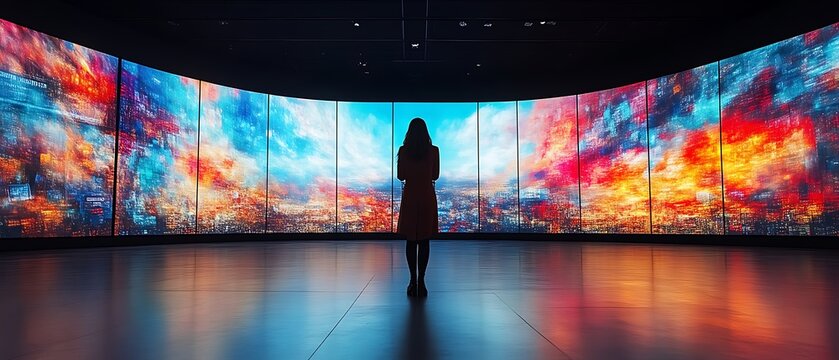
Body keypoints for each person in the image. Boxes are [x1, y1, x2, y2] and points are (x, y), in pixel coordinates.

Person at [397, 117, 439, 297]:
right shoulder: (434, 151)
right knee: (424, 239)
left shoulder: (403, 151)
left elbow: (401, 176)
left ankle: (412, 280)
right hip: (426, 196)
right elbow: (435, 175)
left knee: (411, 240)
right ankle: (422, 281)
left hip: (410, 197)